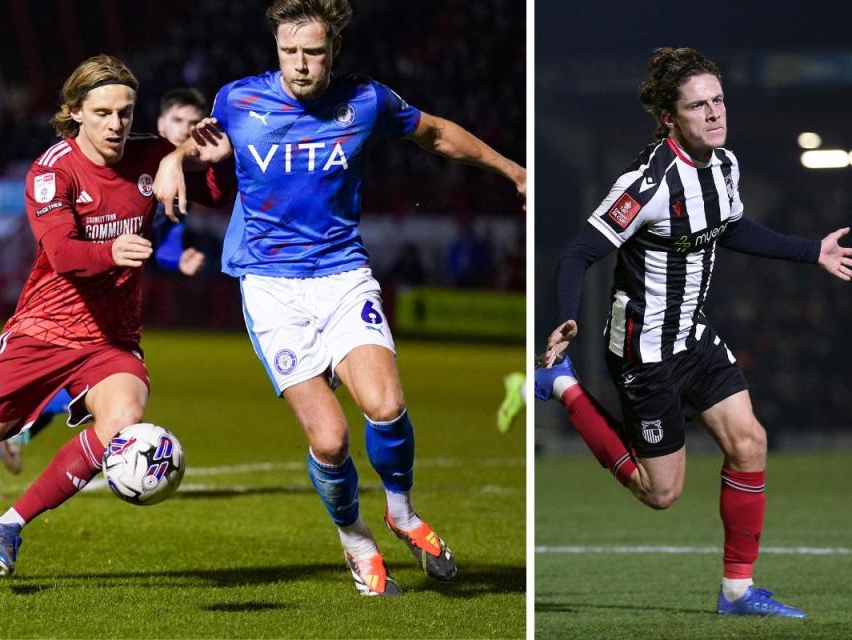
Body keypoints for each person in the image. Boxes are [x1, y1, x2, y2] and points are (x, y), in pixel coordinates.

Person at [153, 0, 526, 597]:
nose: (301, 65)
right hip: (271, 287)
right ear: (275, 50)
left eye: (314, 52)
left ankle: (401, 511)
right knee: (329, 440)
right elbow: (204, 147)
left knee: (385, 405)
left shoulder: (366, 100)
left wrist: (516, 172)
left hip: (342, 273)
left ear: (334, 52)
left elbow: (435, 134)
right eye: (289, 52)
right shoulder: (237, 100)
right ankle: (355, 538)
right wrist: (174, 159)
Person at [541, 47, 852, 618]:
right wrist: (565, 316)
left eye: (718, 100)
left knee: (750, 442)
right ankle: (564, 386)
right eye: (698, 106)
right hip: (643, 350)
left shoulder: (725, 165)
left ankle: (736, 592)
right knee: (662, 494)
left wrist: (812, 253)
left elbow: (731, 228)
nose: (714, 114)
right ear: (670, 118)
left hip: (694, 335)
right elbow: (579, 253)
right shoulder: (647, 183)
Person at [0, 54, 232, 575]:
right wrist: (114, 250)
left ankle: (8, 524)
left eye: (125, 112)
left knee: (124, 417)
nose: (117, 124)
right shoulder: (51, 172)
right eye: (103, 113)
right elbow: (66, 253)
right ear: (75, 112)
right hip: (43, 330)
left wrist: (216, 160)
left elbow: (215, 193)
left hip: (111, 338)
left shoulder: (151, 155)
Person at [0, 87, 220, 501]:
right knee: (65, 390)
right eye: (178, 124)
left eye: (193, 125)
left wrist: (175, 257)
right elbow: (72, 249)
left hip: (111, 315)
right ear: (160, 123)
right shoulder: (98, 167)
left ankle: (12, 454)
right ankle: (4, 448)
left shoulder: (158, 169)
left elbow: (165, 236)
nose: (186, 132)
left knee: (94, 394)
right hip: (65, 309)